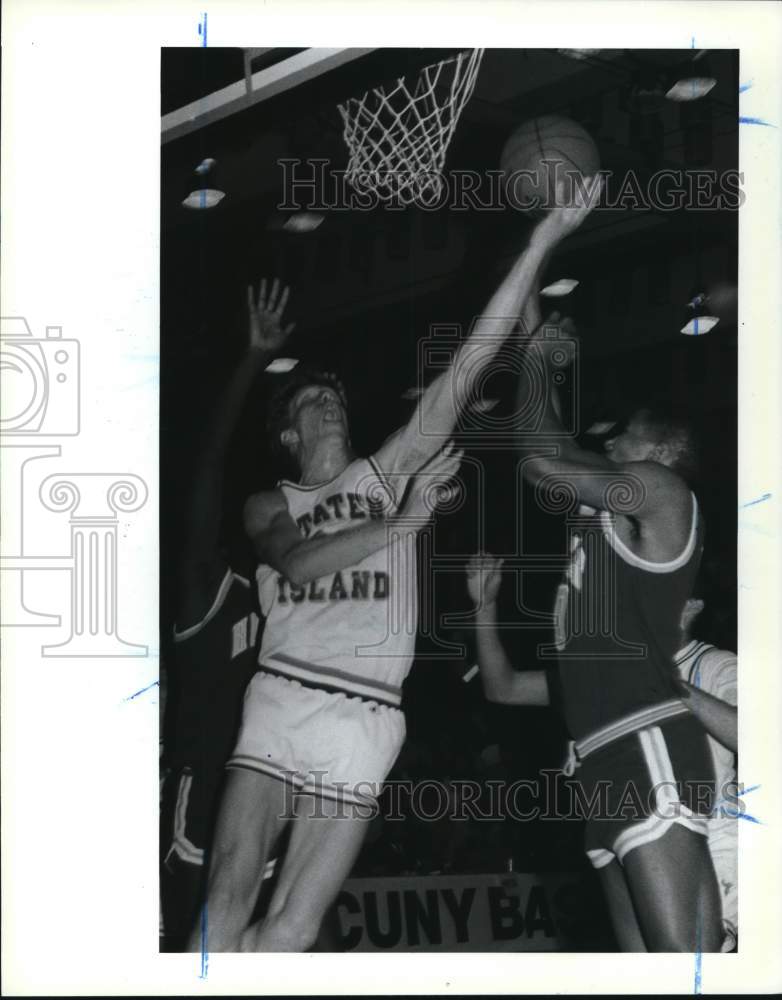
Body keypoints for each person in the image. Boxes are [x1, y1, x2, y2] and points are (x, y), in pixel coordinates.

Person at [190, 179, 601, 953]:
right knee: (227, 896)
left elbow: (468, 366)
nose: (331, 404)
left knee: (291, 931)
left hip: (369, 711)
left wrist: (542, 240)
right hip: (283, 695)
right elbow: (300, 567)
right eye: (313, 402)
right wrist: (404, 522)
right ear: (289, 435)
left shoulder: (385, 475)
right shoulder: (271, 502)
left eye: (335, 398)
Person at [465, 558, 738, 951]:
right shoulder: (603, 676)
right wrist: (485, 606)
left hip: (708, 851)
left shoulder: (715, 666)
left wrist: (668, 687)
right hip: (624, 847)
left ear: (690, 605)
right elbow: (503, 688)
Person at [160, 278, 294, 948]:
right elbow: (205, 479)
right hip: (206, 810)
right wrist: (251, 363)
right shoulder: (213, 590)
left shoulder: (299, 603)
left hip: (272, 809)